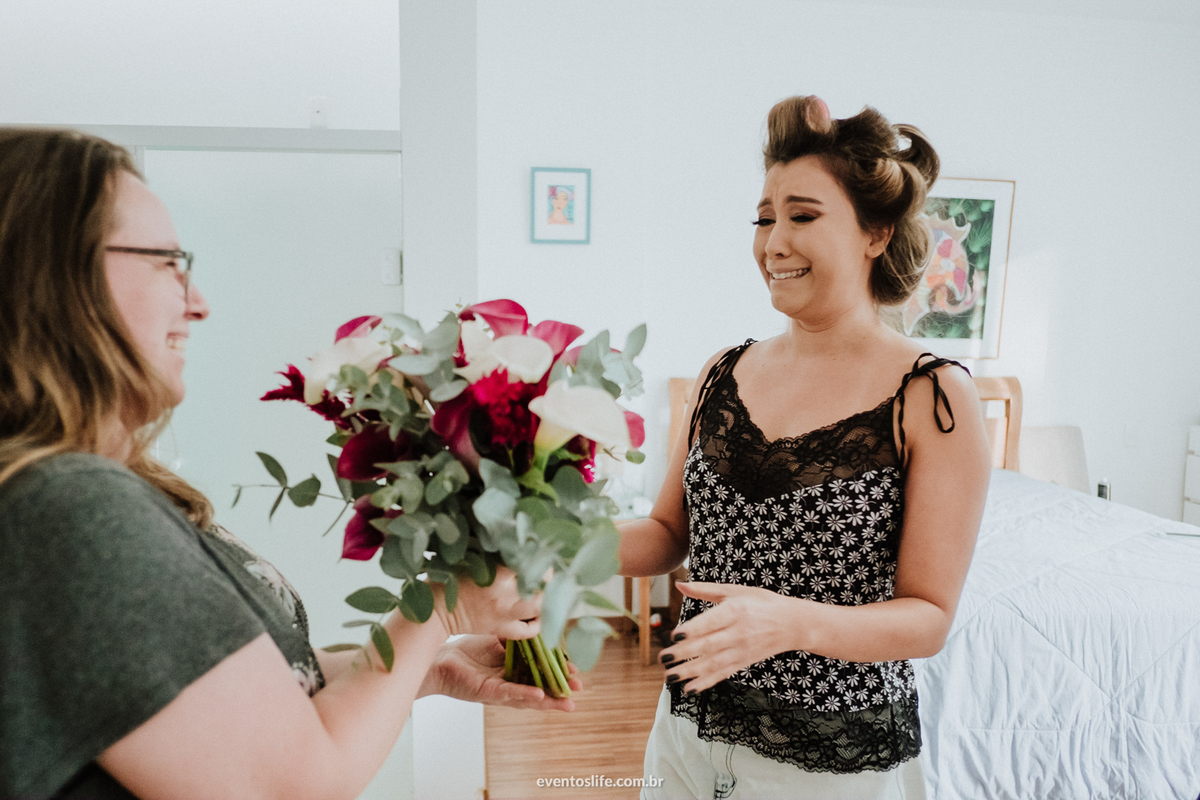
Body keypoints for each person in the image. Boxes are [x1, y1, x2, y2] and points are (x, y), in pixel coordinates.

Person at [0, 129, 575, 800]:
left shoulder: (71, 493)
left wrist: (433, 669)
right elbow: (293, 786)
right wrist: (439, 611)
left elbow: (237, 700)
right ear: (54, 274)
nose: (198, 301)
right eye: (165, 261)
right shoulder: (70, 506)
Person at [617, 96, 991, 799]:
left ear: (875, 233)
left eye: (802, 216)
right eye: (764, 218)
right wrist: (545, 542)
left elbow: (929, 617)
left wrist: (788, 622)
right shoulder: (721, 370)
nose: (773, 242)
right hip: (687, 732)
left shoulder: (932, 396)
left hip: (831, 759)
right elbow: (667, 533)